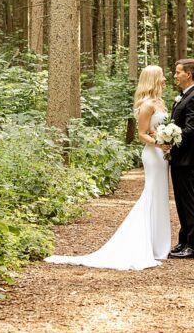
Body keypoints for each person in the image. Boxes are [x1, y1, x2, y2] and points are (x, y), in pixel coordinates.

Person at [44, 65, 171, 270]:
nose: (165, 79)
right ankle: (144, 243)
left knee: (161, 194)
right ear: (154, 78)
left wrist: (166, 139)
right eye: (162, 76)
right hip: (153, 154)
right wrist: (158, 143)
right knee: (151, 193)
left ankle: (159, 244)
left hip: (162, 155)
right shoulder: (147, 105)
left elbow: (157, 129)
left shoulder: (161, 102)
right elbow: (141, 134)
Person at [162, 58, 194, 259]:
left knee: (189, 201)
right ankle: (183, 241)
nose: (175, 75)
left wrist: (171, 139)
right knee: (180, 201)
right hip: (179, 158)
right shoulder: (182, 97)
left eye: (178, 72)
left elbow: (192, 130)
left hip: (188, 158)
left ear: (188, 74)